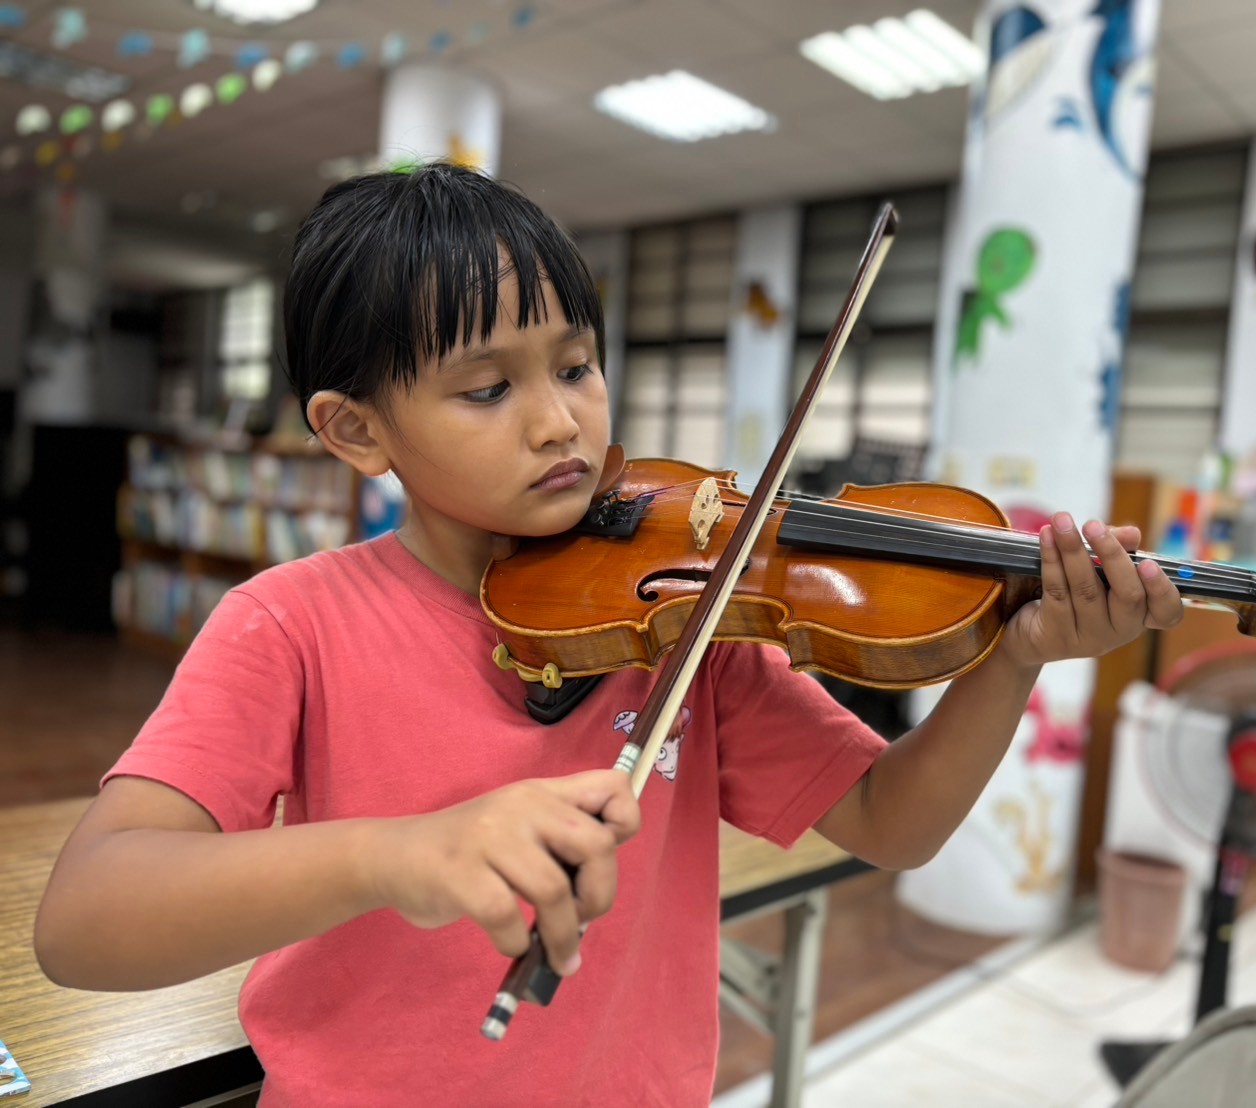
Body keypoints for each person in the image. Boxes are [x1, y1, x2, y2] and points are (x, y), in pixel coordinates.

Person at [33, 163, 1183, 1106]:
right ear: (355, 429)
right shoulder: (290, 621)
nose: (560, 421)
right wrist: (397, 854)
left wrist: (1011, 657)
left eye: (577, 366)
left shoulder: (683, 618)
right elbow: (87, 921)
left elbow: (893, 821)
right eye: (486, 389)